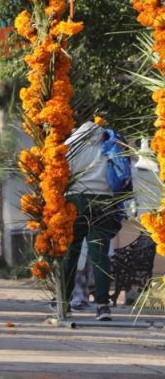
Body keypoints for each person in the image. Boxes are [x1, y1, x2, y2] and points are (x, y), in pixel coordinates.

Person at [63, 118, 128, 322]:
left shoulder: (69, 143)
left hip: (75, 201)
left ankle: (64, 303)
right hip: (104, 202)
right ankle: (102, 306)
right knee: (99, 255)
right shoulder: (109, 139)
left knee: (71, 252)